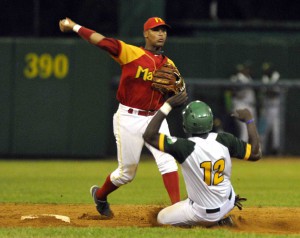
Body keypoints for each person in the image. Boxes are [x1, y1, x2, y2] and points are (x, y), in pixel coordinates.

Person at [59, 17, 181, 217]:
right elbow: (101, 41)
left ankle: (178, 209)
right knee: (127, 173)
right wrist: (74, 26)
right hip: (129, 118)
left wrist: (176, 91)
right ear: (146, 34)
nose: (161, 34)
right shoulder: (131, 53)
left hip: (156, 117)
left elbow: (176, 91)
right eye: (156, 30)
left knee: (168, 161)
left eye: (164, 30)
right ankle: (100, 195)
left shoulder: (169, 64)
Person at [143, 91, 262, 227]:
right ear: (211, 121)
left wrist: (167, 105)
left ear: (185, 125)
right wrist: (249, 120)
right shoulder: (225, 139)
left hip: (201, 213)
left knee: (161, 218)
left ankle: (214, 224)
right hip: (228, 201)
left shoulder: (184, 147)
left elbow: (149, 136)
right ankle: (221, 214)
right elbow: (255, 154)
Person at [230, 61, 257, 141]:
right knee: (245, 130)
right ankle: (242, 151)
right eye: (246, 69)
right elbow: (234, 91)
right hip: (240, 106)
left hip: (249, 106)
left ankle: (247, 150)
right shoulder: (239, 78)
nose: (248, 70)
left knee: (251, 130)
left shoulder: (248, 78)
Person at [259, 62, 281, 155]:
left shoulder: (276, 76)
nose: (266, 71)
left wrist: (269, 90)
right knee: (264, 129)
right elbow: (265, 92)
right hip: (266, 107)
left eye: (267, 69)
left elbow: (274, 92)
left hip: (275, 107)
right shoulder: (264, 78)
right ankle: (262, 149)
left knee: (276, 129)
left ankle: (276, 149)